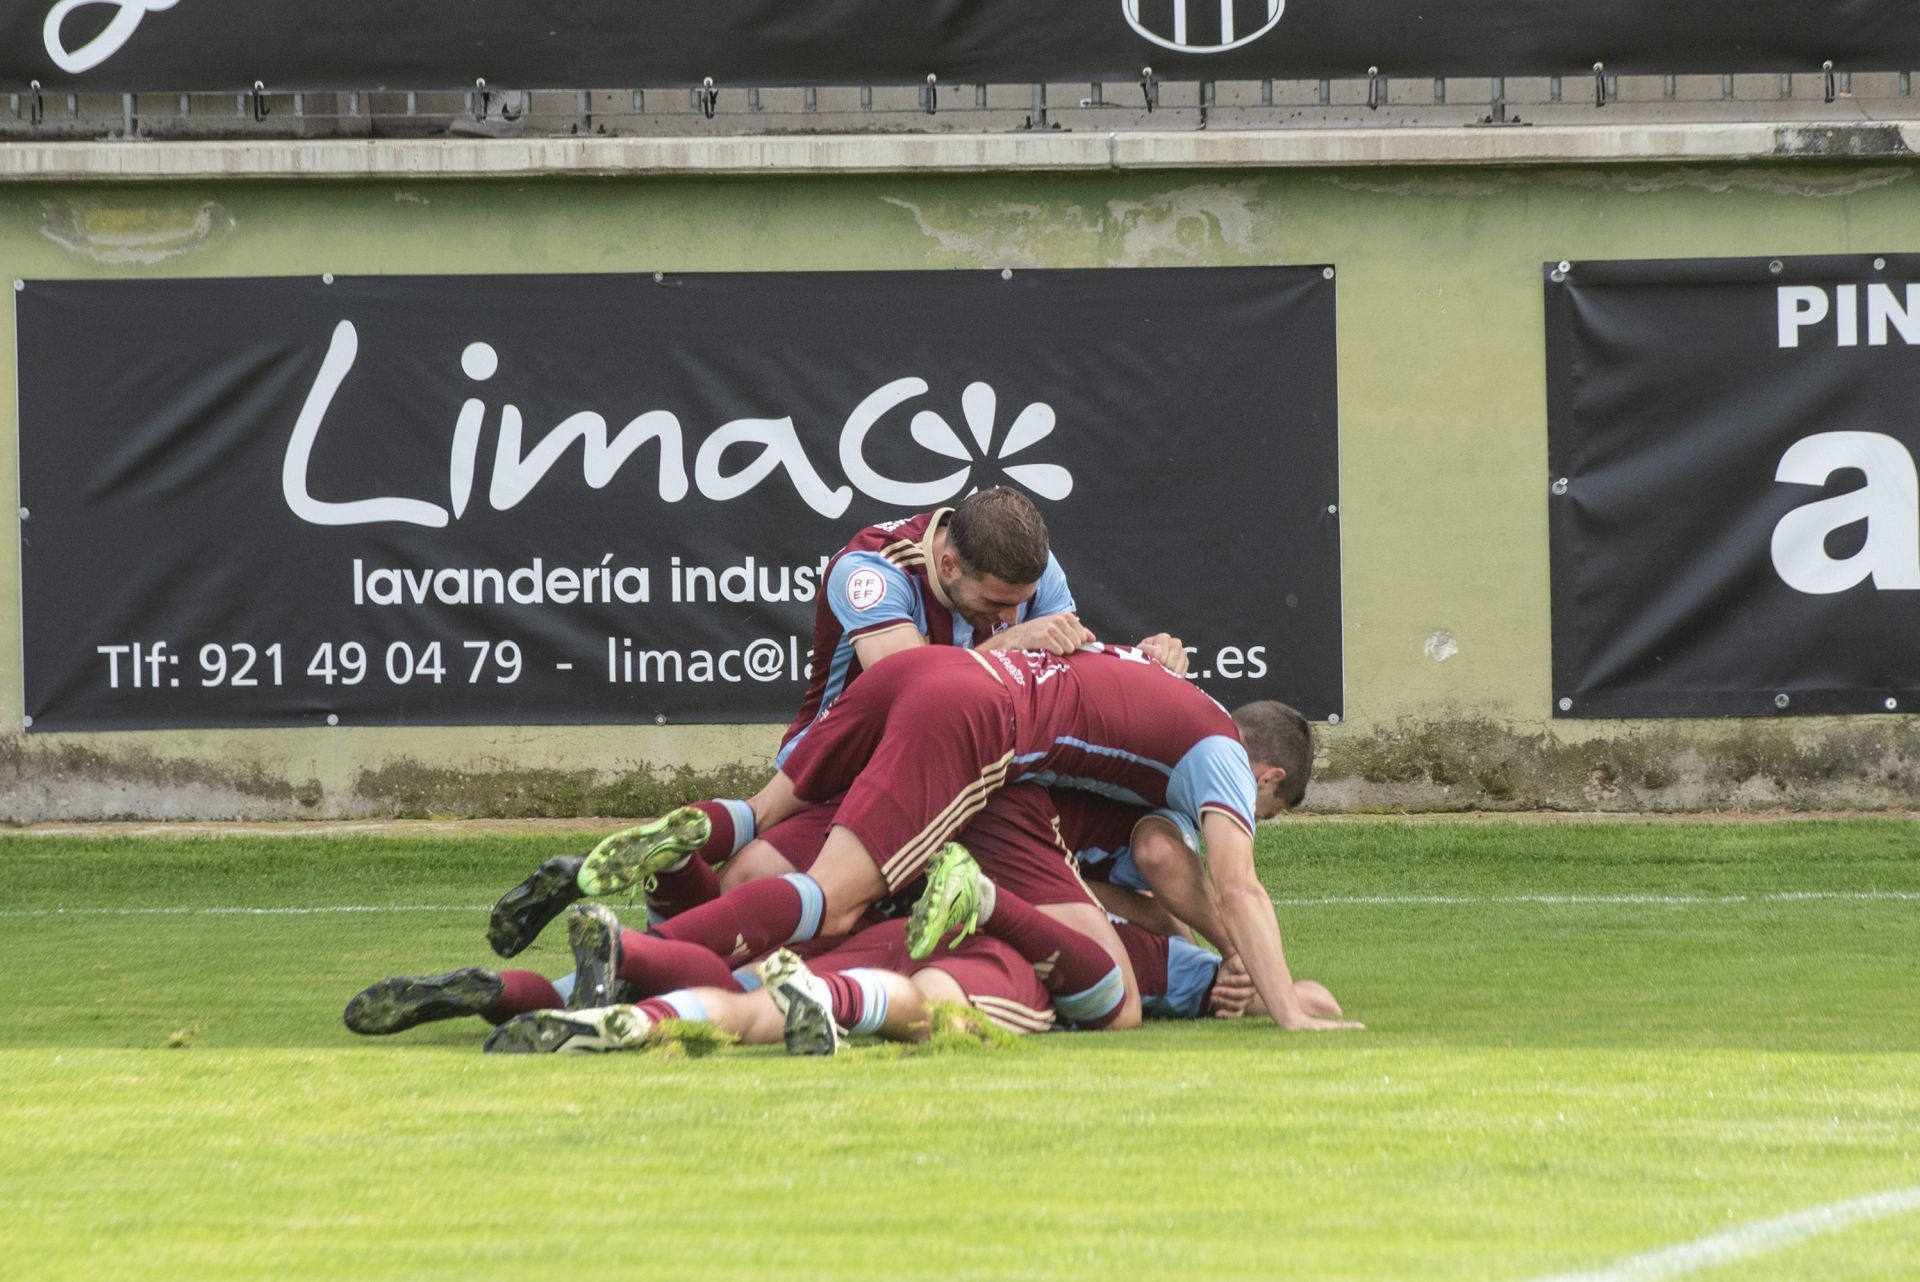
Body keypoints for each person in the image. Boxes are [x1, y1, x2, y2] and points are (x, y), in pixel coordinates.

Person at [486, 488, 1187, 959]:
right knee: (796, 897)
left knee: (770, 877)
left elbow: (1064, 653)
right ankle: (645, 957)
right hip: (846, 768)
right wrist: (1017, 643)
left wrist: (1144, 655)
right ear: (948, 562)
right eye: (992, 604)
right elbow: (913, 689)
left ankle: (641, 919)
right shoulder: (870, 568)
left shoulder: (1022, 573)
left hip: (962, 773)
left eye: (1019, 604)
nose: (1006, 617)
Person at [579, 644, 1359, 1033]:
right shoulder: (1218, 761)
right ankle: (638, 960)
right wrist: (1274, 993)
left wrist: (1208, 945)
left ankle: (676, 887)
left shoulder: (1154, 725)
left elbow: (1146, 874)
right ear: (1266, 779)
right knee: (840, 906)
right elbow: (1218, 880)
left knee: (757, 842)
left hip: (922, 673)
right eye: (1268, 815)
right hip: (982, 747)